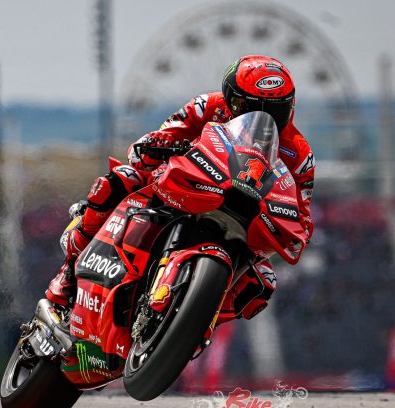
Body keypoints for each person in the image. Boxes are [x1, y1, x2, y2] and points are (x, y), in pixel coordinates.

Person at [46, 55, 315, 326]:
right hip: (186, 187)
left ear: (290, 106)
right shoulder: (206, 106)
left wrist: (292, 227)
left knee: (262, 283)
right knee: (121, 180)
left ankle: (194, 328)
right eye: (252, 108)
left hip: (244, 219)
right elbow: (156, 141)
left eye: (275, 110)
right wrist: (155, 146)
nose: (265, 118)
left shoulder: (300, 156)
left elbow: (301, 215)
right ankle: (69, 273)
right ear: (232, 100)